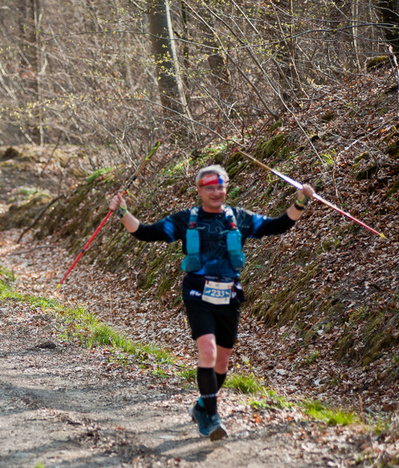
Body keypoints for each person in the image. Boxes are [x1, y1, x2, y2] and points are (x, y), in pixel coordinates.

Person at [109, 164, 315, 441]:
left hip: (229, 295)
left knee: (222, 363)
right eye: (210, 187)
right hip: (197, 293)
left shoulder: (238, 217)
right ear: (199, 190)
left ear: (226, 188)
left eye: (220, 187)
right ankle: (212, 418)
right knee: (207, 350)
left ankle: (203, 406)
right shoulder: (186, 219)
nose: (216, 192)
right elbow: (145, 232)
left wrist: (300, 201)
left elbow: (278, 225)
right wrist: (122, 211)